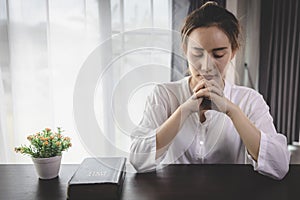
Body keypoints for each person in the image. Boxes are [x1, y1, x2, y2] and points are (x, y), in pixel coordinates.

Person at [129, 2, 290, 180]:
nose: (206, 66)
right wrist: (185, 110)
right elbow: (137, 160)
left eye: (218, 54)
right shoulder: (164, 95)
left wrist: (232, 111)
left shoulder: (249, 100)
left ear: (233, 52)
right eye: (197, 54)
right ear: (185, 50)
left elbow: (279, 165)